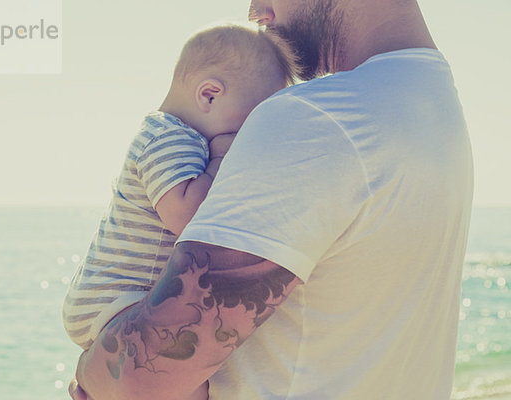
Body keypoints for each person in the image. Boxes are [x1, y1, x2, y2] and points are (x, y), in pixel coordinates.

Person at [70, 1, 474, 399]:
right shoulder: (435, 110)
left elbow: (140, 378)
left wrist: (89, 375)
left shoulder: (313, 117)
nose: (254, 7)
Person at [63, 23, 298, 351]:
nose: (247, 136)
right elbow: (186, 216)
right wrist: (219, 159)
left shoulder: (177, 136)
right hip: (114, 301)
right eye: (248, 122)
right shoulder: (169, 138)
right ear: (209, 95)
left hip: (120, 300)